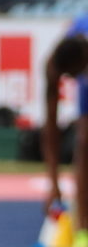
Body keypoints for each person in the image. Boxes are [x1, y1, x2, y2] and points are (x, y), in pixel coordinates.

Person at [39, 20, 88, 209]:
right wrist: (53, 183)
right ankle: (83, 225)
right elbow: (50, 126)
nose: (73, 80)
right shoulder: (52, 65)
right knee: (83, 141)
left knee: (84, 140)